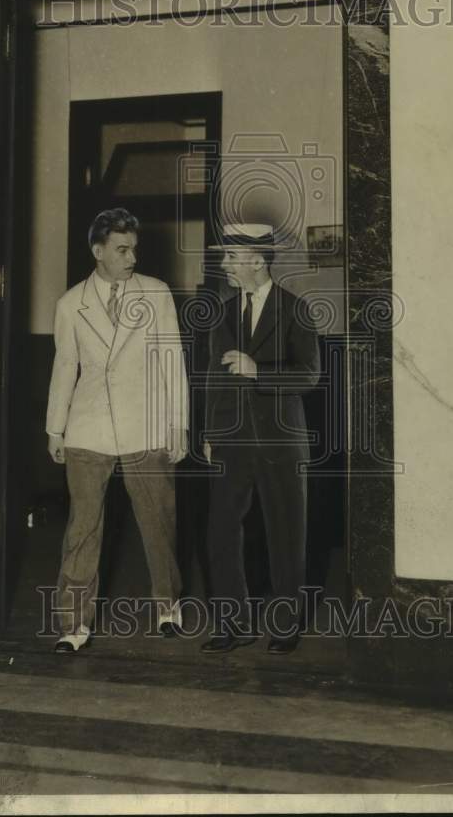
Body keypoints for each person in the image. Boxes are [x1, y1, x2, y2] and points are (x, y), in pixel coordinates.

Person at [46, 207, 188, 653]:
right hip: (87, 429)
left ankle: (168, 605)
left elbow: (172, 363)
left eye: (134, 249)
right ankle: (74, 624)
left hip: (146, 427)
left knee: (158, 522)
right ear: (98, 251)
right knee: (83, 528)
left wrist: (179, 424)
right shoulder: (71, 304)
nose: (131, 258)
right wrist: (55, 429)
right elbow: (65, 366)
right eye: (122, 249)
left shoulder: (157, 293)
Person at [201, 223, 321, 654]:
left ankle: (286, 625)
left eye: (231, 257)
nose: (224, 264)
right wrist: (211, 433)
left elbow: (310, 375)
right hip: (231, 440)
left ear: (257, 259)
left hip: (281, 442)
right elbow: (215, 378)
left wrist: (259, 371)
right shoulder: (223, 312)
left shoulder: (296, 309)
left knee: (285, 531)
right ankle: (234, 624)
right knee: (220, 532)